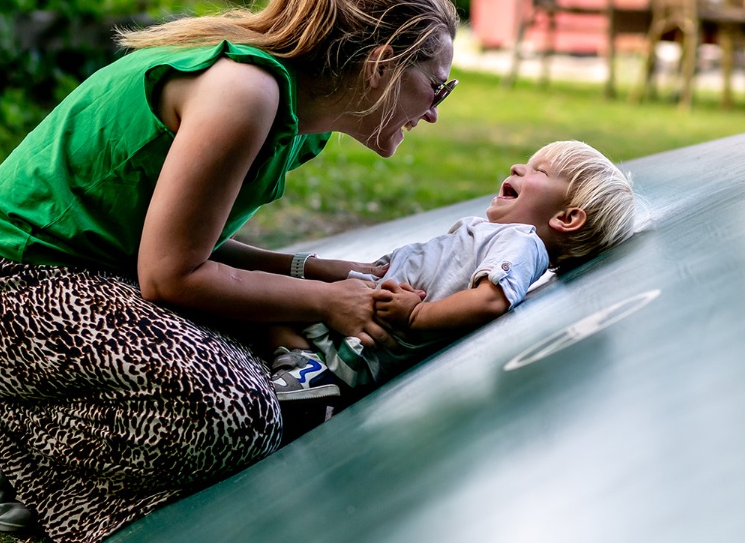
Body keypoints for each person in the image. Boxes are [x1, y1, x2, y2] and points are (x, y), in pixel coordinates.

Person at [0, 0, 459, 543]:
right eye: (438, 85)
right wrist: (329, 300)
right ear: (384, 64)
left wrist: (313, 272)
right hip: (7, 293)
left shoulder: (296, 119)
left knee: (280, 361)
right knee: (237, 413)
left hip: (94, 282)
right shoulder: (243, 91)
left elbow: (184, 237)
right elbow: (171, 274)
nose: (434, 111)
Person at [267, 140, 639, 398]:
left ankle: (310, 379)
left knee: (270, 309)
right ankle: (302, 370)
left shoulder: (523, 242)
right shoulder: (500, 236)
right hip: (361, 305)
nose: (517, 167)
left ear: (567, 217)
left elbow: (491, 300)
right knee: (273, 301)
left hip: (365, 339)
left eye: (539, 170)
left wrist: (417, 314)